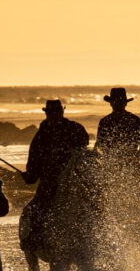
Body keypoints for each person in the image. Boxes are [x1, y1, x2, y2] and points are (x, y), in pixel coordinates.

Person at [20, 99, 90, 254]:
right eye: (51, 113)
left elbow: (84, 144)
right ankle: (33, 241)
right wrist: (29, 176)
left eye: (56, 112)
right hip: (49, 182)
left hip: (75, 178)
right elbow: (33, 165)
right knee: (37, 209)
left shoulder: (74, 129)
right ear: (46, 114)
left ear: (62, 112)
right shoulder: (40, 137)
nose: (54, 116)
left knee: (95, 202)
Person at [94, 88, 140, 167]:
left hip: (112, 165)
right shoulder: (135, 120)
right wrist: (136, 161)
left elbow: (99, 146)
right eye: (117, 102)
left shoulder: (104, 122)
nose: (118, 105)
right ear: (125, 103)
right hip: (127, 165)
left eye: (119, 102)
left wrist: (135, 161)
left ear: (110, 103)